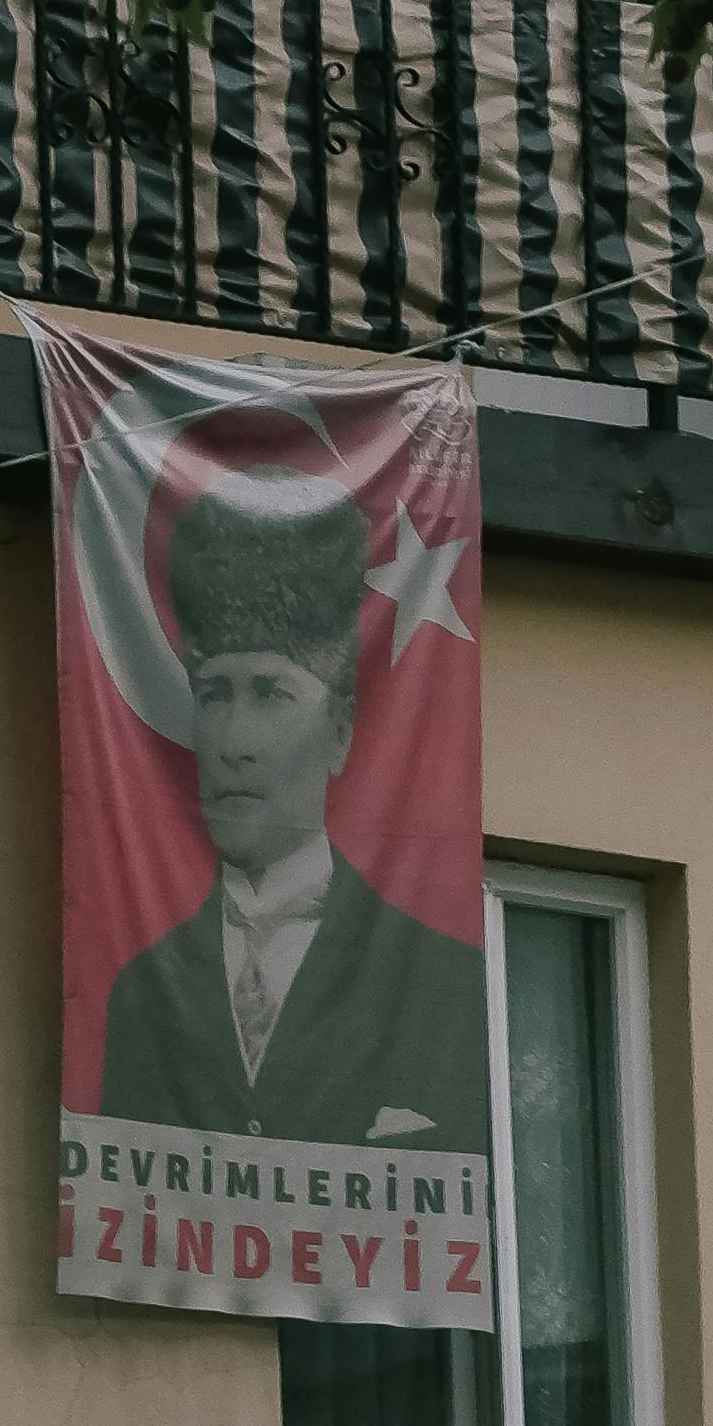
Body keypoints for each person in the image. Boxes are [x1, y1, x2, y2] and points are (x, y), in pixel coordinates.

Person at [95, 475, 492, 1150]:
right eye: (214, 694)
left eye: (271, 695)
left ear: (339, 731)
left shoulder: (435, 979)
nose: (233, 743)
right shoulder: (142, 989)